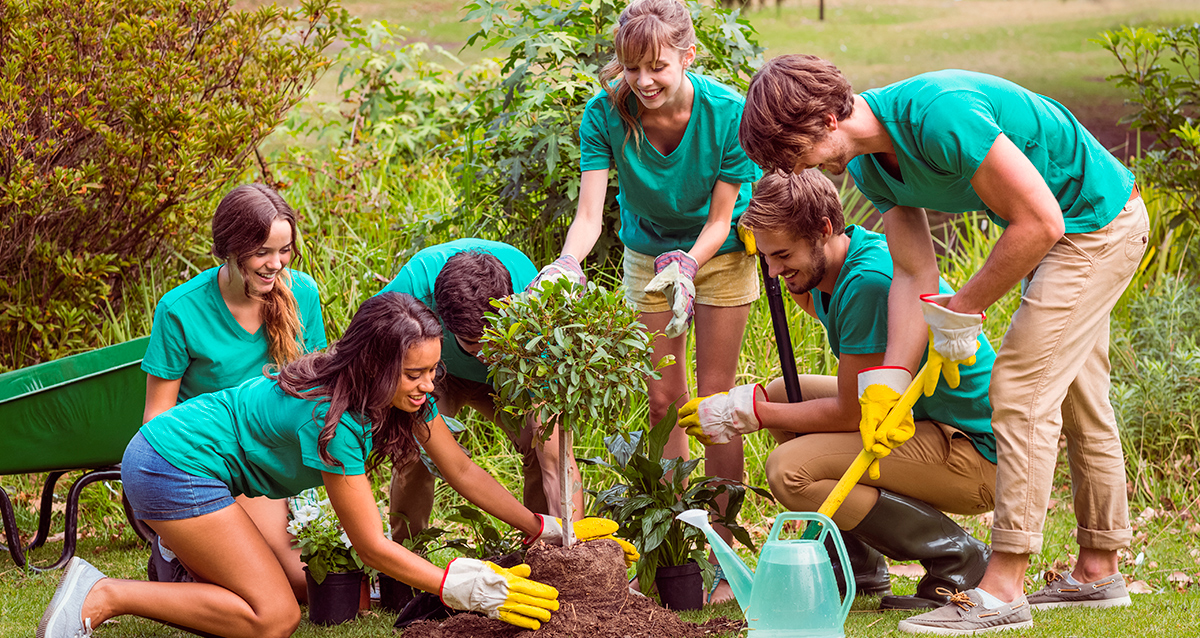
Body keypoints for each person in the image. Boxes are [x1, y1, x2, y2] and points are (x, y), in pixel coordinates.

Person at [739, 55, 1147, 634]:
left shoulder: (938, 115)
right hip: (1062, 231)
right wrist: (892, 380)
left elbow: (1039, 221)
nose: (796, 168)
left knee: (1021, 387)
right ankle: (1099, 571)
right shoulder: (873, 167)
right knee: (1081, 403)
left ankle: (1002, 588)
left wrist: (964, 309)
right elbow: (912, 271)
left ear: (826, 119)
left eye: (794, 151)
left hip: (1098, 225)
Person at [38, 292, 616, 638]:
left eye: (433, 371)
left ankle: (181, 554)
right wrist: (458, 585)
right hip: (172, 464)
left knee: (290, 590)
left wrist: (545, 528)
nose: (427, 385)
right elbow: (369, 547)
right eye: (414, 374)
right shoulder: (334, 423)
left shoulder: (396, 396)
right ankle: (104, 595)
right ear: (375, 362)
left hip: (218, 472)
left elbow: (461, 470)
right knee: (274, 618)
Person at [531, 0, 762, 604]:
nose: (643, 81)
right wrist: (566, 263)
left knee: (714, 402)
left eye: (657, 66)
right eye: (632, 68)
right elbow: (589, 215)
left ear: (689, 56)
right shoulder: (606, 111)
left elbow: (719, 216)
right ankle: (672, 542)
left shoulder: (728, 114)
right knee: (663, 397)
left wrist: (690, 263)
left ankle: (724, 549)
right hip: (645, 256)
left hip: (721, 253)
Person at [680, 169, 997, 609]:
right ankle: (856, 563)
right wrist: (780, 258)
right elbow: (812, 293)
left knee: (788, 470)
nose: (772, 269)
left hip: (974, 451)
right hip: (922, 418)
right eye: (766, 257)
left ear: (824, 229)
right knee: (782, 394)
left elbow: (851, 413)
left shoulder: (868, 283)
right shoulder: (839, 260)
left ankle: (960, 558)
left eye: (783, 254)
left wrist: (746, 412)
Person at [139, 183, 326, 598]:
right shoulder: (180, 309)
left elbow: (315, 393)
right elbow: (157, 419)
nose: (275, 264)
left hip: (279, 459)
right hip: (217, 461)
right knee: (294, 581)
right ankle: (178, 549)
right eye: (261, 252)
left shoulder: (302, 294)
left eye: (284, 251)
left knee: (321, 579)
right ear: (229, 248)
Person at [377, 238, 584, 547]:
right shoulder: (412, 287)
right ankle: (405, 551)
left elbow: (557, 457)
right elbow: (369, 348)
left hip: (512, 372)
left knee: (541, 442)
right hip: (437, 373)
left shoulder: (533, 293)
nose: (487, 354)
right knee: (415, 449)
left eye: (495, 340)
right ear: (442, 320)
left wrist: (575, 545)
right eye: (475, 344)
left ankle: (548, 550)